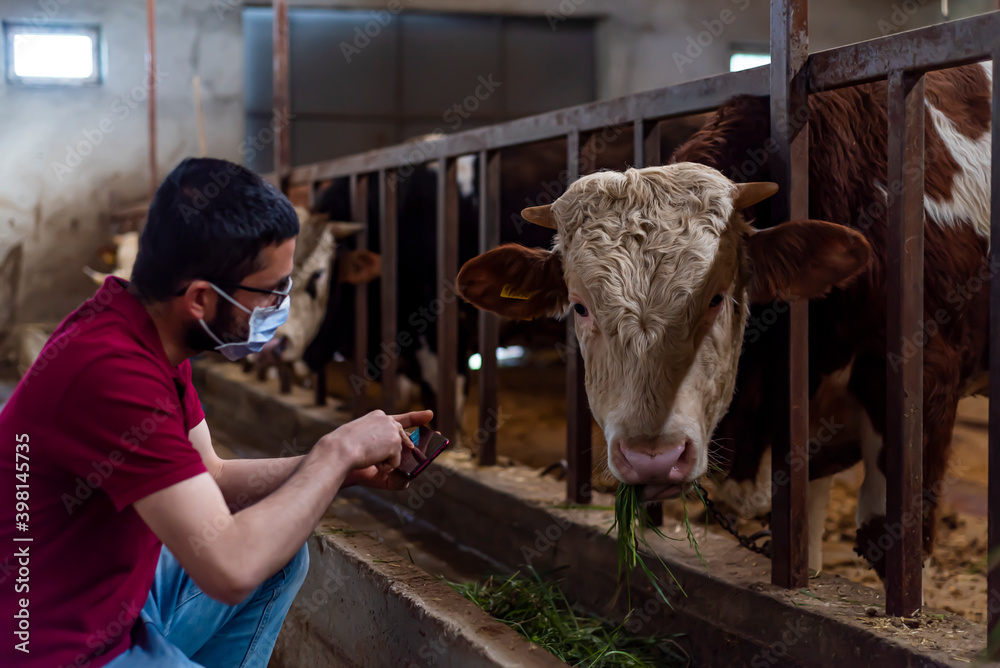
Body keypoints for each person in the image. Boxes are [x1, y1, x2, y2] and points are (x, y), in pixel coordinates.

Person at [0, 157, 431, 668]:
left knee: (279, 553)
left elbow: (213, 475)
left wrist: (342, 469)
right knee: (253, 554)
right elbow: (230, 569)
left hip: (105, 602)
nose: (281, 306)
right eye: (272, 291)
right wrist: (335, 453)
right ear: (202, 299)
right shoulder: (113, 374)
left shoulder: (147, 332)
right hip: (43, 647)